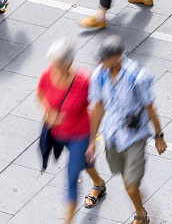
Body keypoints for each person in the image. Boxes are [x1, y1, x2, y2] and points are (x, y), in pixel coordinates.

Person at [86, 37, 167, 224]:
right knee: (124, 177)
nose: (100, 63)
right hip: (112, 135)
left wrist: (158, 136)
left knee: (130, 185)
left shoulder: (137, 77)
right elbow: (99, 107)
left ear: (116, 58)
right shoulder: (99, 75)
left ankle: (140, 215)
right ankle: (135, 190)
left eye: (104, 59)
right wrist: (91, 141)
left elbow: (150, 107)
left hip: (134, 135)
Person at [37, 38, 107, 223]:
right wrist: (49, 112)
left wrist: (92, 141)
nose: (54, 69)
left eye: (58, 65)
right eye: (52, 64)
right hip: (56, 133)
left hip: (79, 135)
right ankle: (99, 184)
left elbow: (99, 107)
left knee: (71, 179)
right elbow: (40, 96)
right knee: (85, 162)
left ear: (68, 63)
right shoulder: (48, 74)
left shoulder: (84, 81)